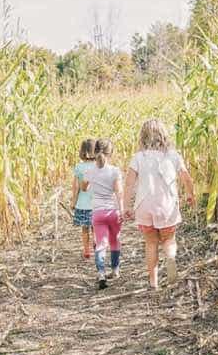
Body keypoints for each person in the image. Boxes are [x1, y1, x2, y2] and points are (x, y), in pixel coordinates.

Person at [124, 119, 195, 290]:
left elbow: (129, 184)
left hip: (144, 205)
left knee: (150, 243)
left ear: (143, 137)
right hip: (167, 205)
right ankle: (170, 257)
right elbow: (186, 177)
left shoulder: (138, 157)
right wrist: (191, 194)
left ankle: (153, 282)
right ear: (164, 136)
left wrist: (125, 206)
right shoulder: (173, 155)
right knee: (169, 239)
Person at [82, 139, 124, 290]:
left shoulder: (90, 171)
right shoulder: (115, 171)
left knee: (100, 244)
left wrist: (91, 184)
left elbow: (84, 188)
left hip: (98, 212)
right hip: (113, 211)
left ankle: (101, 273)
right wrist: (122, 209)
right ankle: (115, 270)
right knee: (114, 241)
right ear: (110, 153)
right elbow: (119, 192)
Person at [71, 138, 97, 259]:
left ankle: (86, 250)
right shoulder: (99, 166)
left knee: (85, 229)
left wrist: (73, 202)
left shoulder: (79, 167)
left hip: (82, 205)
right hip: (96, 204)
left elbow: (76, 187)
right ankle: (96, 245)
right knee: (95, 228)